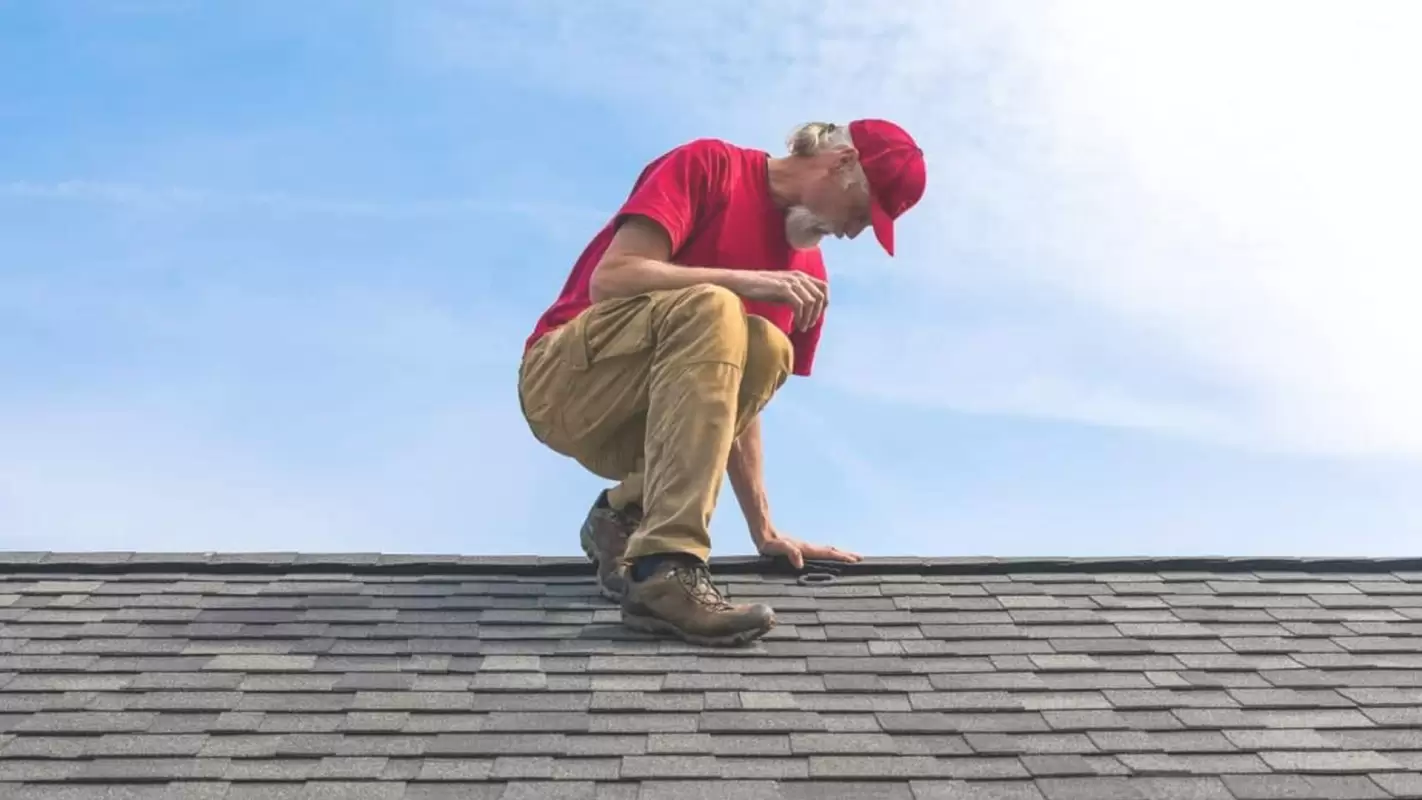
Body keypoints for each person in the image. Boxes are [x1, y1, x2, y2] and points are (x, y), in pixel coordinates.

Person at [517, 119, 926, 646]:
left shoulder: (808, 277)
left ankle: (623, 513)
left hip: (645, 427)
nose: (853, 232)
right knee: (716, 308)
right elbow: (612, 278)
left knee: (766, 346)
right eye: (862, 214)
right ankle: (667, 567)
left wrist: (766, 531)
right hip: (567, 383)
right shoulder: (711, 166)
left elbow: (731, 401)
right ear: (843, 164)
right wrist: (739, 281)